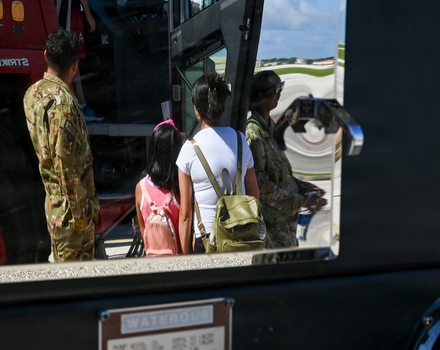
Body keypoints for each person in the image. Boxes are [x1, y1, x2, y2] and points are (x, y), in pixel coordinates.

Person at [23, 29, 100, 261]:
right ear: (74, 66)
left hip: (55, 207)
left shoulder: (32, 94)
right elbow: (65, 166)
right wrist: (83, 215)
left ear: (46, 55)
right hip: (72, 218)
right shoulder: (64, 104)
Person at [176, 72, 260, 254]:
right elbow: (254, 191)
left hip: (207, 241)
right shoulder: (240, 140)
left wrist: (182, 260)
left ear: (196, 110)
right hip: (241, 237)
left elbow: (185, 215)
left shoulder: (189, 150)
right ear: (223, 106)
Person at [245, 70, 326, 248]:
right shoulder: (253, 132)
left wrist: (306, 188)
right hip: (273, 231)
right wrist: (300, 200)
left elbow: (281, 175)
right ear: (261, 95)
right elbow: (260, 185)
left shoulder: (270, 128)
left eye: (281, 87)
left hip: (286, 225)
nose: (280, 93)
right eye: (277, 88)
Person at [48, 0, 102, 122]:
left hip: (51, 8)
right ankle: (80, 106)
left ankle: (75, 104)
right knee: (71, 56)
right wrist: (88, 14)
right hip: (65, 7)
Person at [135, 120, 184, 255]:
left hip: (153, 264)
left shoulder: (140, 188)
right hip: (178, 264)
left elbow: (143, 231)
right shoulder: (179, 189)